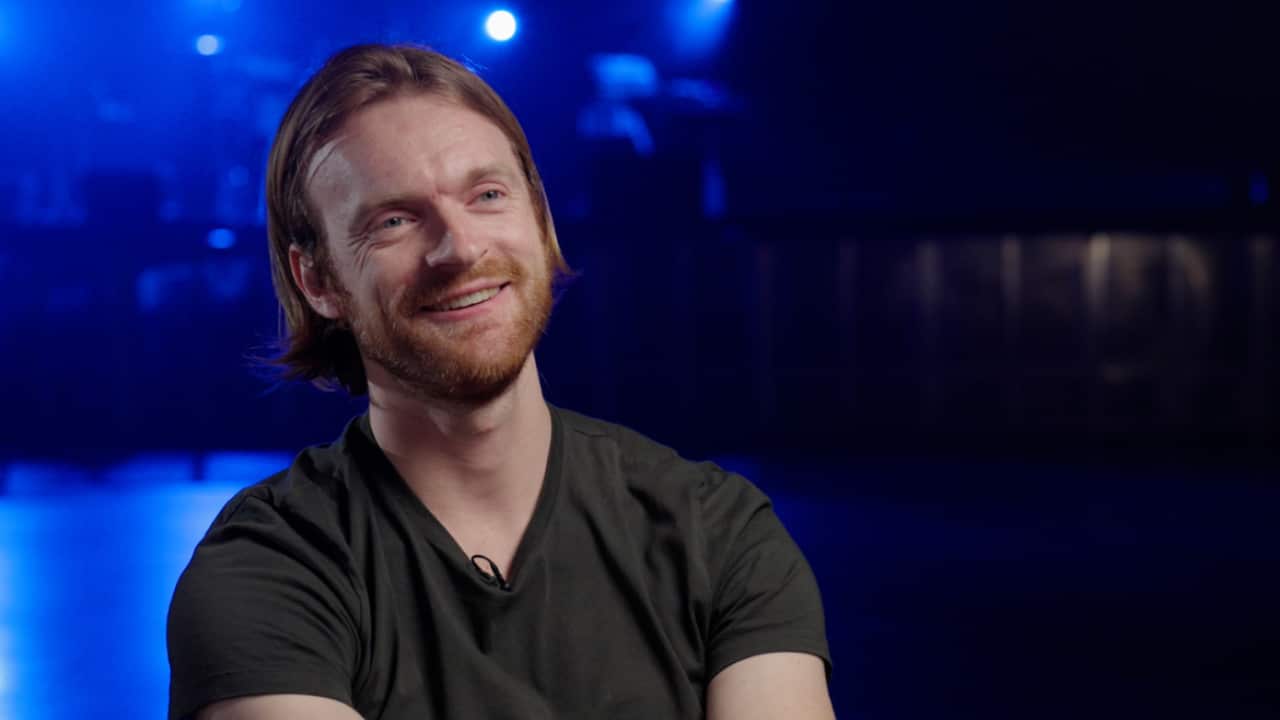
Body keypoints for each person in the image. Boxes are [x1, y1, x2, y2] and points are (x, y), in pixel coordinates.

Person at [167, 43, 834, 720]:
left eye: (487, 195)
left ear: (539, 220)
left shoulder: (718, 532)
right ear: (317, 281)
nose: (460, 248)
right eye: (394, 220)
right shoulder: (270, 566)